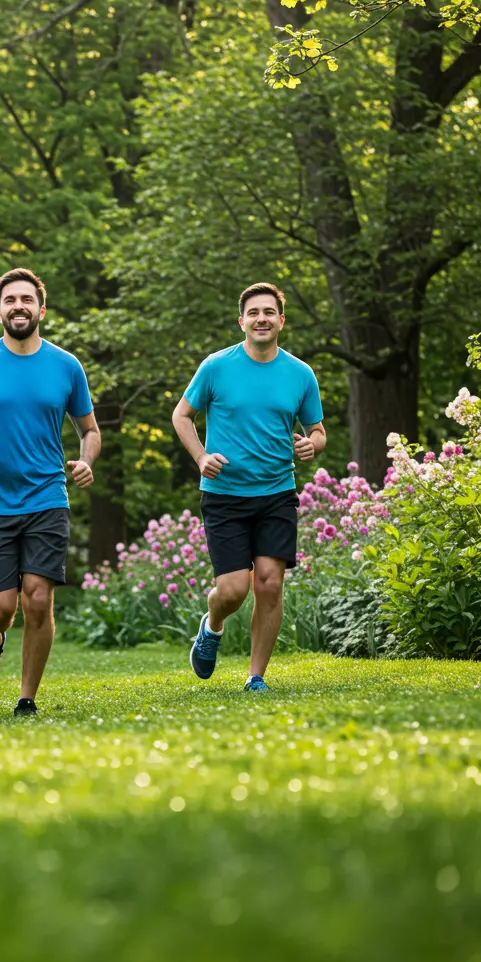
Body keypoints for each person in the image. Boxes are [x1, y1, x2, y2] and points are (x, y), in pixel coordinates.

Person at [0, 268, 100, 716]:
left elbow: (90, 430)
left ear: (41, 309)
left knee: (37, 596)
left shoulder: (66, 366)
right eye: (10, 300)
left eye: (26, 299)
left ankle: (26, 698)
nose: (19, 306)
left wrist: (86, 460)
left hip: (47, 497)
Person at [172, 282, 325, 692]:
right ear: (242, 321)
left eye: (269, 312)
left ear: (281, 320)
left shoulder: (300, 374)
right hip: (224, 494)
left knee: (270, 582)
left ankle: (256, 677)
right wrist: (202, 457)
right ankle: (213, 624)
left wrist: (313, 443)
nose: (261, 318)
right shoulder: (216, 367)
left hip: (276, 491)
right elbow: (182, 416)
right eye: (253, 312)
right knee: (234, 589)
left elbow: (317, 429)